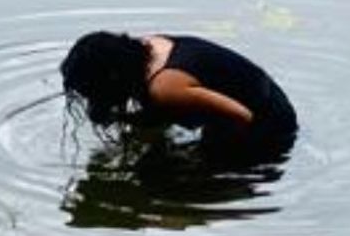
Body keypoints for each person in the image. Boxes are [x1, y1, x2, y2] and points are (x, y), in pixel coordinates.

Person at [60, 30, 297, 163]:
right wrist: (130, 120)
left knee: (156, 180)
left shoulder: (165, 87)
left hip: (270, 128)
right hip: (267, 95)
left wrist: (200, 154)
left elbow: (242, 117)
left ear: (109, 79)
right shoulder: (149, 46)